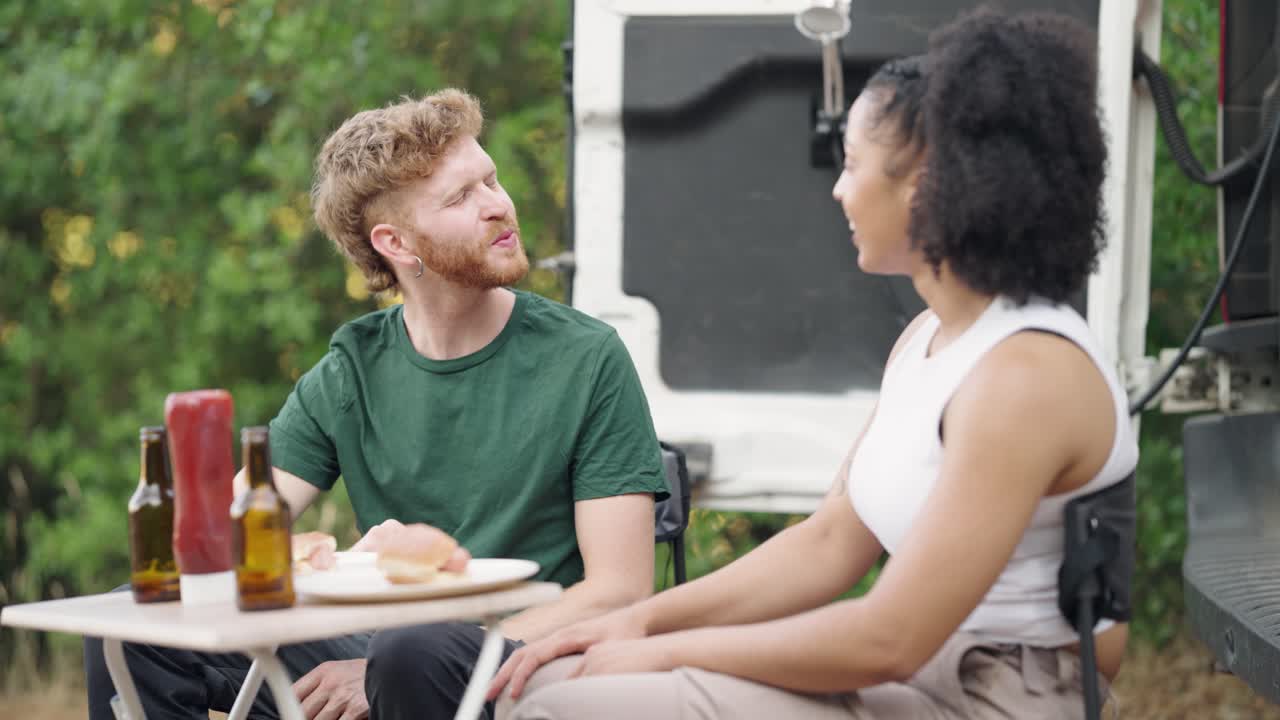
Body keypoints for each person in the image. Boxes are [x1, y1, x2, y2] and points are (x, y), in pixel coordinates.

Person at [488, 8, 1138, 719]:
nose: (838, 190)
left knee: (563, 711)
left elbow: (889, 637)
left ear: (924, 184)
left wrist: (670, 650)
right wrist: (643, 621)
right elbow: (832, 540)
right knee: (554, 685)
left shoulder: (1025, 376)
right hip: (920, 679)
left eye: (852, 164)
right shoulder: (928, 339)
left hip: (998, 696)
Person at [84, 89, 670, 720]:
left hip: (526, 653)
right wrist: (341, 562)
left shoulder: (587, 358)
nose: (498, 206)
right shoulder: (353, 369)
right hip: (385, 646)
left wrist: (377, 667)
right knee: (133, 626)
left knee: (408, 653)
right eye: (461, 197)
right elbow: (222, 546)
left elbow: (617, 592)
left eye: (491, 179)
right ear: (396, 243)